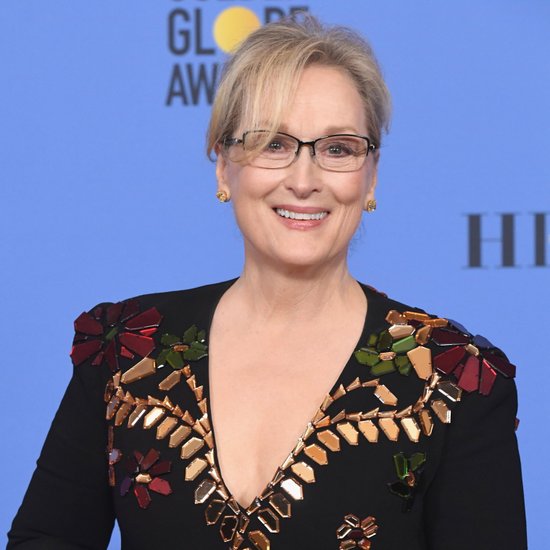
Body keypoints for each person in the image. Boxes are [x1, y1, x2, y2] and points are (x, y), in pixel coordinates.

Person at [7, 15, 526, 550]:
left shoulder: (454, 377)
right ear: (223, 167)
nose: (304, 180)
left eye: (338, 148)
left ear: (371, 176)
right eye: (273, 143)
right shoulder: (127, 348)